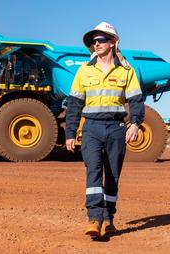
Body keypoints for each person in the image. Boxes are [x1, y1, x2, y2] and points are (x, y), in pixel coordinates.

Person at [65, 21, 145, 238]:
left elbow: (136, 100)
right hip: (91, 127)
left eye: (100, 39)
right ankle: (94, 218)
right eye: (93, 41)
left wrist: (135, 124)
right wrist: (70, 133)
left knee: (112, 176)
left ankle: (109, 218)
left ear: (112, 43)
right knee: (93, 170)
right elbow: (74, 104)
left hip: (117, 128)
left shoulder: (126, 72)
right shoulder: (83, 71)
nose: (96, 43)